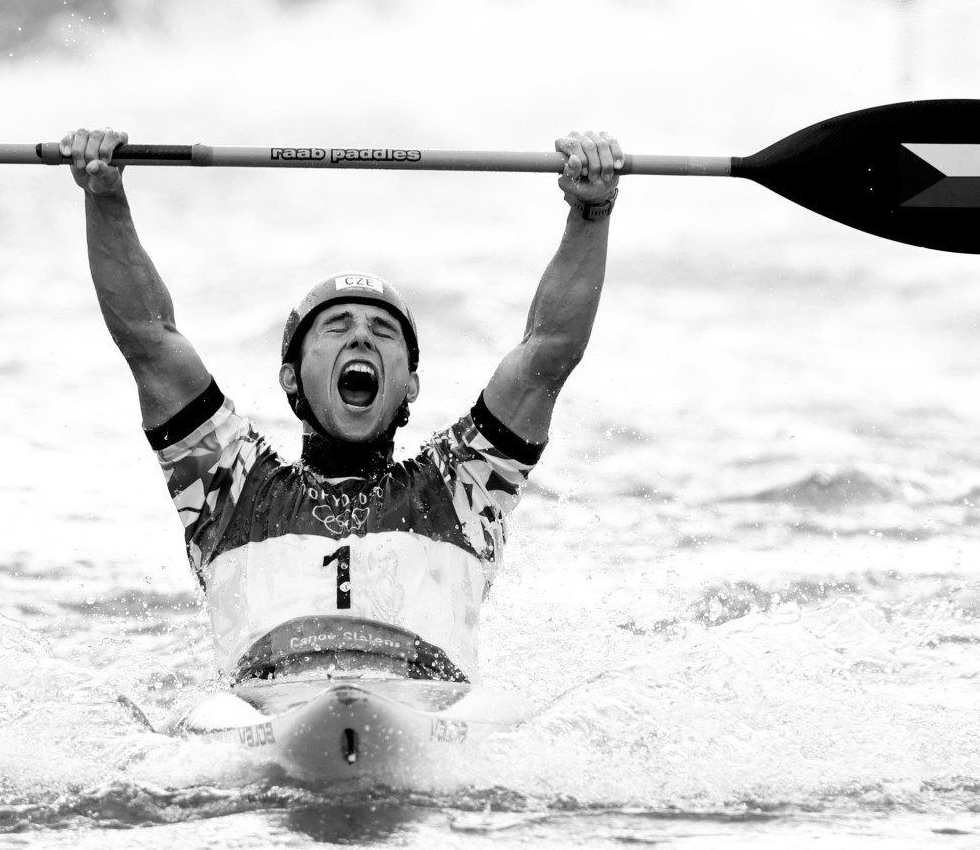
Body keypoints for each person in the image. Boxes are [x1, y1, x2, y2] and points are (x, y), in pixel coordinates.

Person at [64, 126, 622, 686]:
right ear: (290, 377)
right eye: (336, 326)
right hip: (264, 704)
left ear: (410, 385)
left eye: (383, 329)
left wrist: (591, 211)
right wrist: (104, 196)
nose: (360, 337)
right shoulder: (230, 488)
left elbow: (547, 354)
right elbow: (150, 341)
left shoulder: (462, 489)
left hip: (426, 704)